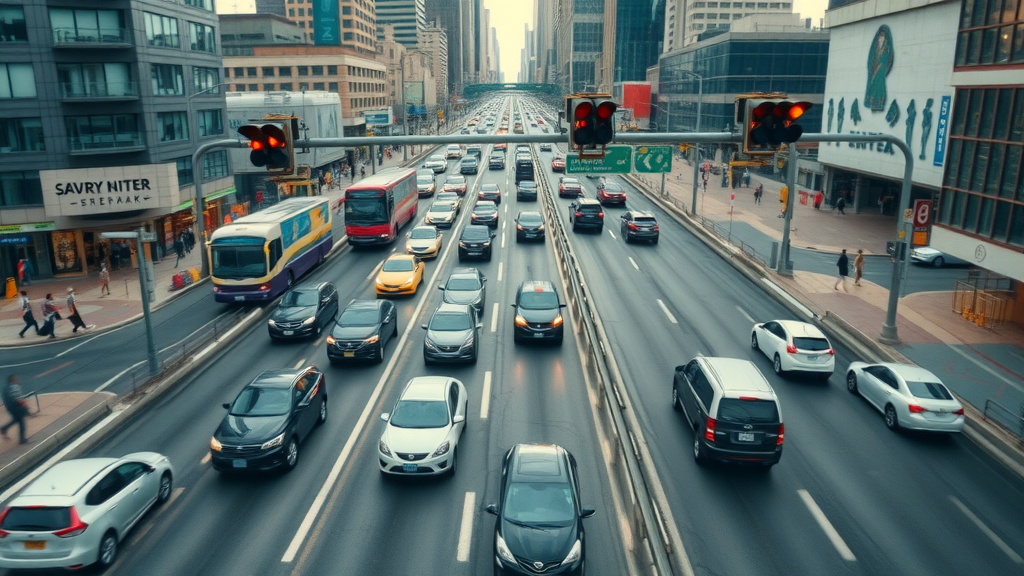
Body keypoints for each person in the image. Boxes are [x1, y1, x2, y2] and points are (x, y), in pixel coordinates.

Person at [1, 375, 30, 444]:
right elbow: (18, 398)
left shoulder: (5, 388)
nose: (17, 380)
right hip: (16, 406)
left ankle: (4, 428)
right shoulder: (15, 387)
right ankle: (22, 439)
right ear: (13, 380)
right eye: (16, 379)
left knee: (16, 419)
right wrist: (25, 406)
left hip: (9, 407)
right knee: (21, 423)